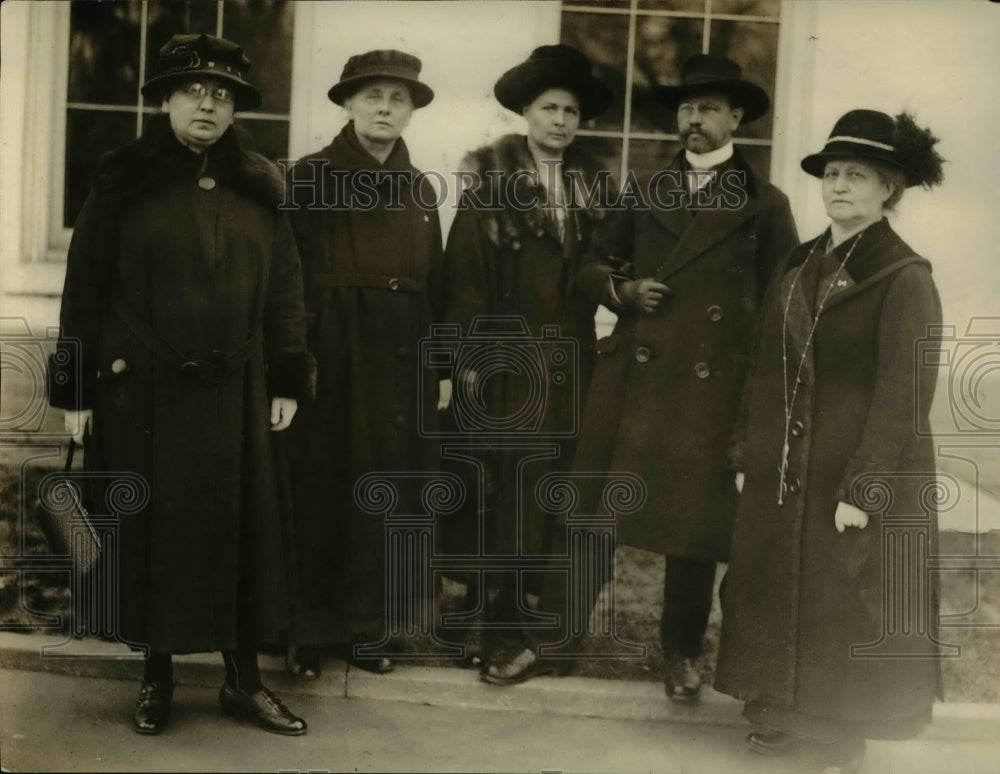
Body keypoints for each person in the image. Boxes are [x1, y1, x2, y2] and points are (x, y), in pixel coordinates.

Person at [47, 34, 312, 736]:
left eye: (222, 94)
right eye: (193, 90)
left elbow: (287, 290)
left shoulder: (260, 186)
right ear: (164, 100)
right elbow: (84, 290)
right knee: (152, 535)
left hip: (238, 393)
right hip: (142, 394)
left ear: (234, 110)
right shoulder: (123, 180)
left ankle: (244, 682)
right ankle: (156, 678)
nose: (207, 104)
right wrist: (74, 392)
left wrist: (288, 376)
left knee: (240, 534)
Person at [715, 109, 946, 774]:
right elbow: (764, 365)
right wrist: (747, 452)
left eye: (857, 176)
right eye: (832, 174)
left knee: (841, 595)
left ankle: (840, 732)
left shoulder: (902, 275)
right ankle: (786, 715)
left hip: (855, 465)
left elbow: (903, 394)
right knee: (781, 585)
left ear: (888, 189)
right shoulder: (798, 262)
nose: (839, 186)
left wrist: (864, 488)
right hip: (788, 463)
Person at [572, 54, 798, 702]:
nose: (694, 119)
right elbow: (592, 265)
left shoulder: (765, 203)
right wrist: (623, 290)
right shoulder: (645, 189)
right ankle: (560, 634)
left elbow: (782, 303)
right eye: (687, 108)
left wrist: (756, 397)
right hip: (638, 381)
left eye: (709, 108)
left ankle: (681, 653)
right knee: (596, 515)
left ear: (736, 118)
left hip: (711, 390)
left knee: (693, 530)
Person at [439, 44, 615, 685]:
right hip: (507, 366)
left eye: (571, 111)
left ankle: (531, 621)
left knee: (549, 495)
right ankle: (494, 626)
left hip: (571, 366)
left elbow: (606, 269)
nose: (560, 121)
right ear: (527, 112)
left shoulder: (595, 190)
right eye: (549, 108)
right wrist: (467, 364)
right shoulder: (491, 187)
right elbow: (464, 282)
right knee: (504, 496)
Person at [282, 50, 444, 678]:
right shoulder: (309, 178)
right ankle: (306, 631)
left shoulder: (420, 188)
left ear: (411, 112)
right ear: (348, 104)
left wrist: (438, 364)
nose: (385, 108)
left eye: (398, 98)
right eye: (372, 95)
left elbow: (435, 284)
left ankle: (365, 628)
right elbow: (286, 280)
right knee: (319, 489)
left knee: (383, 491)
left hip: (398, 362)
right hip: (331, 357)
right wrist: (292, 364)